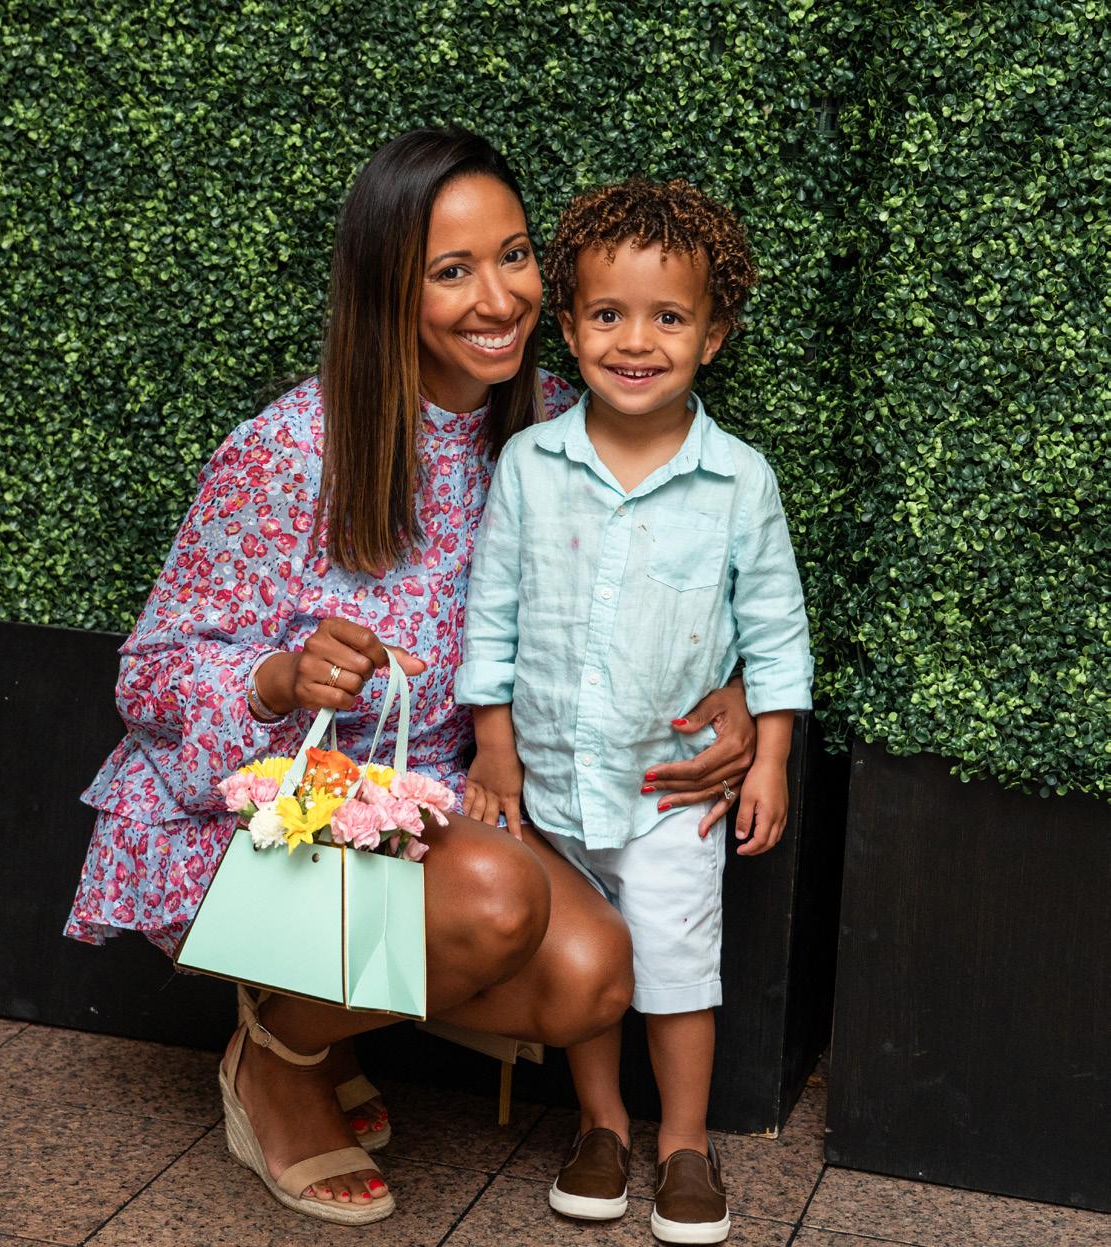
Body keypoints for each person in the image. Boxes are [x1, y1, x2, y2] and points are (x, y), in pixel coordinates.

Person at [64, 131, 757, 1228]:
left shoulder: (558, 423)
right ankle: (279, 1056)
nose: (500, 298)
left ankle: (313, 1020)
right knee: (496, 897)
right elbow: (150, 675)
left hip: (451, 803)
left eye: (515, 257)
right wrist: (280, 676)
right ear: (389, 287)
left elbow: (669, 566)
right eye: (452, 271)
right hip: (289, 811)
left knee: (593, 973)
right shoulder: (294, 448)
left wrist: (733, 693)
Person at [456, 177, 813, 1244]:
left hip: (671, 795)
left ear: (713, 335)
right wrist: (494, 746)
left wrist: (770, 756)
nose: (636, 341)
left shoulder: (740, 483)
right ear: (568, 327)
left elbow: (776, 630)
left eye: (669, 318)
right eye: (608, 314)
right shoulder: (530, 464)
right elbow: (491, 613)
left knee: (676, 971)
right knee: (593, 965)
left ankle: (686, 1144)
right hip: (550, 784)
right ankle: (601, 1126)